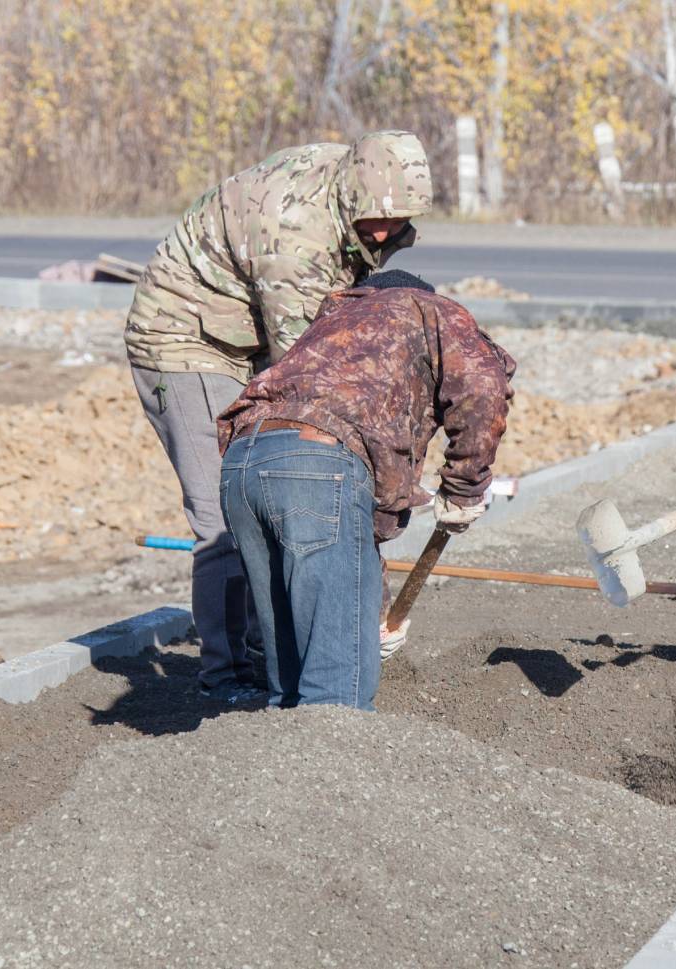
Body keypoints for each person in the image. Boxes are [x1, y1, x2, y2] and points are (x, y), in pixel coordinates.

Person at [123, 131, 432, 703]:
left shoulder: (356, 191)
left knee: (281, 489)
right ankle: (227, 676)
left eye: (398, 221)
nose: (385, 233)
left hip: (250, 336)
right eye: (374, 221)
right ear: (349, 195)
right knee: (227, 507)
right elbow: (310, 379)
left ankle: (274, 647)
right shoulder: (295, 238)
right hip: (186, 340)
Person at [217, 270, 515, 710]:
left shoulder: (329, 329)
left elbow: (354, 525)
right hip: (314, 461)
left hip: (242, 463)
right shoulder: (427, 310)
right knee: (337, 691)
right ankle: (337, 771)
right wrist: (465, 487)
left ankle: (285, 768)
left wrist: (375, 614)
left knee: (290, 672)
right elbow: (483, 386)